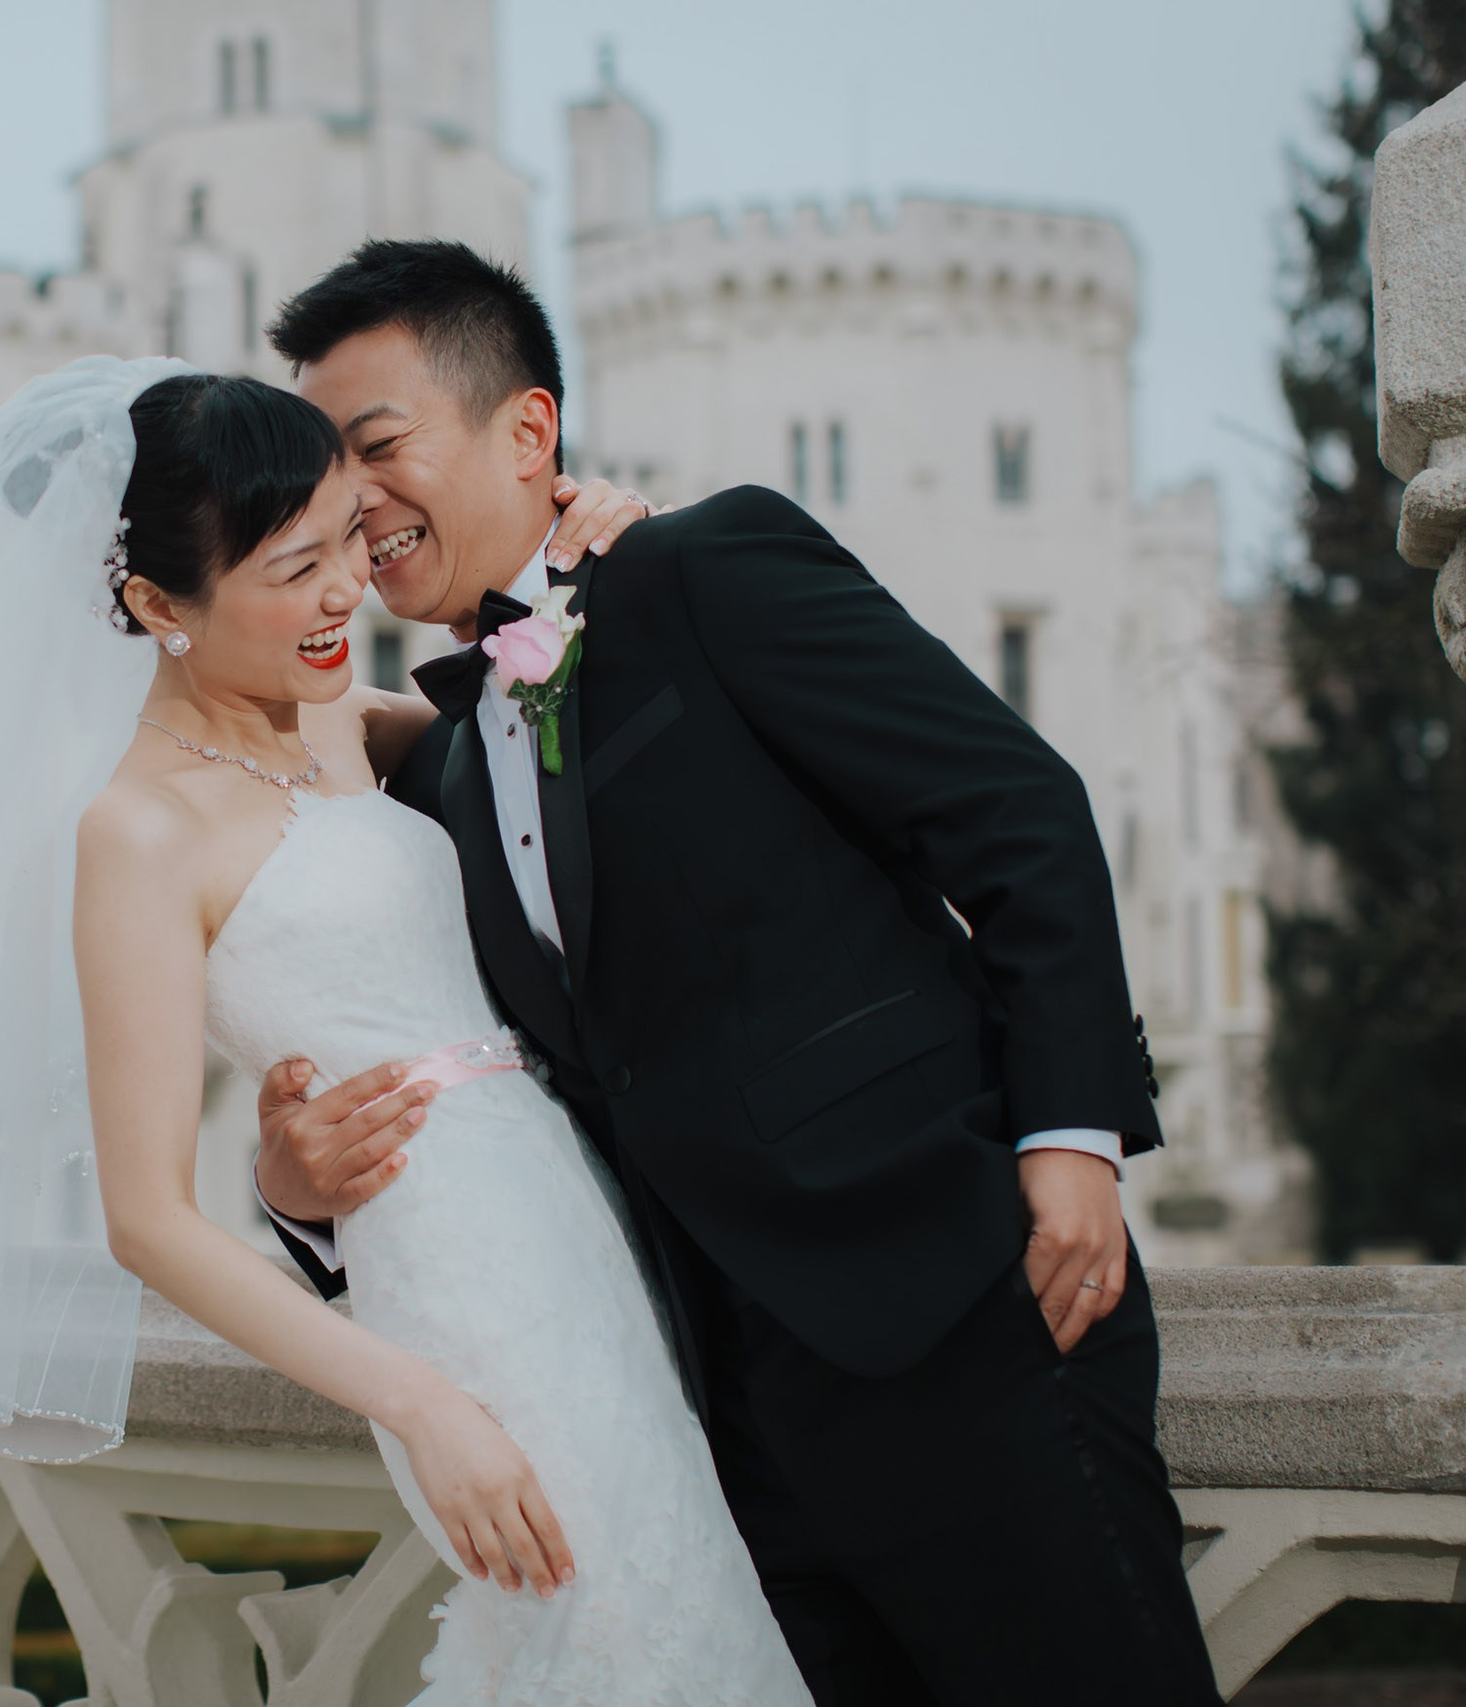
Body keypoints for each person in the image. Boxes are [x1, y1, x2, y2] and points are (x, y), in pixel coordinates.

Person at [0, 353, 810, 1703]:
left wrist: (600, 562)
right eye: (293, 571)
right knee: (619, 1632)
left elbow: (541, 748)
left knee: (695, 1618)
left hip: (588, 1221)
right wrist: (422, 1404)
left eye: (348, 537)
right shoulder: (137, 832)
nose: (348, 589)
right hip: (460, 1289)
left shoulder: (339, 717)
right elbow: (146, 1220)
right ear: (155, 603)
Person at [249, 240, 1224, 1707]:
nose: (353, 502)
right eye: (327, 472)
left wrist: (1070, 1137)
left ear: (529, 433)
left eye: (379, 448)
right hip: (711, 1409)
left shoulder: (708, 569)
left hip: (958, 1309)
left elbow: (1013, 809)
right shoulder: (443, 765)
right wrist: (293, 1192)